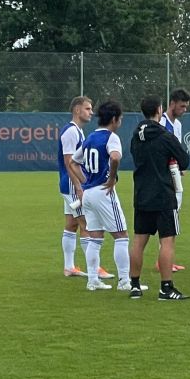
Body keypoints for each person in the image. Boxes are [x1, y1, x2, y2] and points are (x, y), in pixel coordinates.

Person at [128, 95, 190, 300]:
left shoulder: (135, 136)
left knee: (139, 241)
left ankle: (135, 285)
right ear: (159, 110)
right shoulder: (165, 135)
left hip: (141, 193)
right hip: (163, 194)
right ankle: (166, 287)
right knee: (167, 241)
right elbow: (184, 160)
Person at [69, 101, 129, 292]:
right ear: (114, 119)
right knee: (121, 236)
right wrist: (111, 178)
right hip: (104, 192)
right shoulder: (111, 137)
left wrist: (86, 180)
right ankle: (124, 281)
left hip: (88, 194)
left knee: (95, 237)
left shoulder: (90, 138)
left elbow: (73, 162)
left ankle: (93, 280)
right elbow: (115, 157)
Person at [57, 96, 113, 280]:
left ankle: (69, 267)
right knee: (87, 225)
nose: (91, 112)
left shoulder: (78, 132)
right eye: (88, 109)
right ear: (77, 110)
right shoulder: (71, 132)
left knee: (71, 225)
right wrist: (80, 187)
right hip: (73, 186)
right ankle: (94, 269)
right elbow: (69, 162)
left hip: (70, 185)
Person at [159, 88, 190, 272]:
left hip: (175, 174)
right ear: (172, 103)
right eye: (182, 106)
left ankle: (167, 259)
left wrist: (178, 167)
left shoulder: (176, 124)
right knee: (169, 218)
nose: (184, 110)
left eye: (186, 107)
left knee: (174, 216)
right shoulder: (162, 122)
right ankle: (163, 261)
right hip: (165, 178)